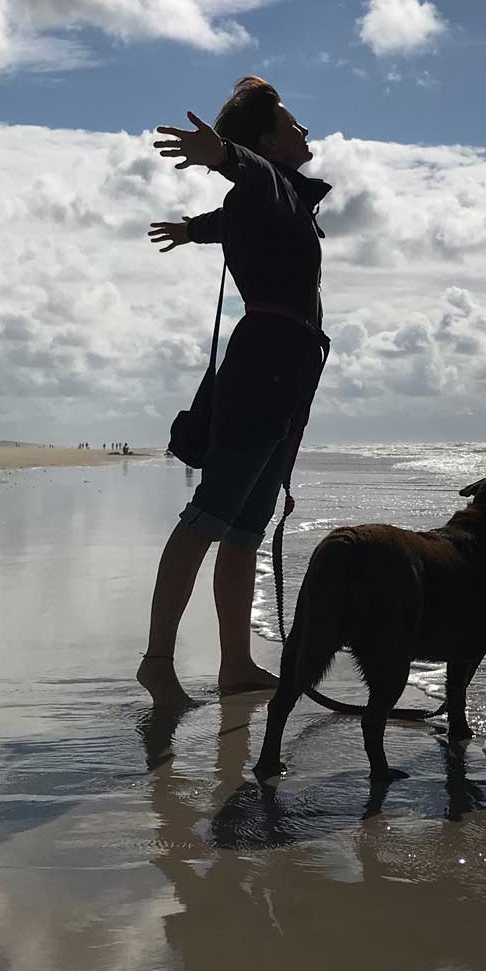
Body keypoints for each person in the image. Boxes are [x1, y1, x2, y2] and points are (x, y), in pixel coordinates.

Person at [138, 76, 330, 707]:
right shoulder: (269, 184)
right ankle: (157, 662)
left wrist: (192, 230)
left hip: (286, 369)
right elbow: (254, 179)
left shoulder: (281, 201)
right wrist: (223, 154)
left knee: (246, 527)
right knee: (211, 514)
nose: (304, 131)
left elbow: (236, 218)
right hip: (265, 366)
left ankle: (236, 664)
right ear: (267, 143)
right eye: (292, 124)